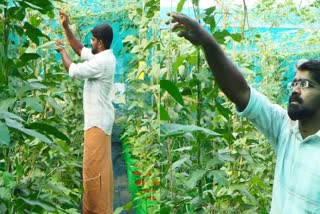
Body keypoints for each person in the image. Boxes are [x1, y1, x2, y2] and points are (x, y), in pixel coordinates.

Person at [167, 12, 320, 213]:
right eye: (294, 82)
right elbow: (241, 92)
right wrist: (207, 42)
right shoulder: (285, 128)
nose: (295, 89)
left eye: (305, 84)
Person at [56, 10, 115, 213]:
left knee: (93, 173)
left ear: (100, 43)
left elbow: (73, 70)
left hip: (96, 126)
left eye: (93, 39)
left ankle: (96, 210)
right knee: (99, 172)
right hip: (99, 123)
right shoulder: (103, 55)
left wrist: (62, 51)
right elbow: (80, 49)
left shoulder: (102, 62)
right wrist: (66, 27)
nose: (90, 42)